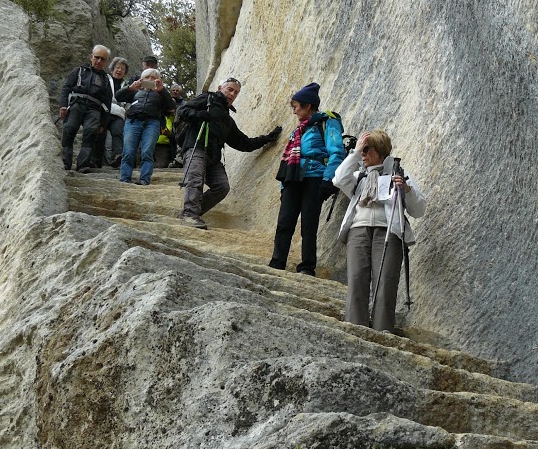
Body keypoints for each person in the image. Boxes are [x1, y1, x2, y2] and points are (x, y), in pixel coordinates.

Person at [332, 130, 426, 332]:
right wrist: (354, 153)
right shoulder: (358, 176)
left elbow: (419, 210)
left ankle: (383, 332)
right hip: (358, 230)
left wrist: (406, 190)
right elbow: (338, 179)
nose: (363, 154)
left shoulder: (399, 173)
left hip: (389, 232)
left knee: (386, 283)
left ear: (380, 150)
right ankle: (355, 330)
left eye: (366, 149)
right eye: (361, 150)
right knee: (357, 281)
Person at [176, 77, 282, 229]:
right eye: (230, 89)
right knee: (195, 179)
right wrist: (198, 115)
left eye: (236, 93)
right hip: (195, 146)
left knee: (222, 186)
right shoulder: (207, 99)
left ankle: (192, 212)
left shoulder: (227, 120)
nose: (232, 94)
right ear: (220, 88)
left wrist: (267, 138)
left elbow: (243, 143)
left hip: (213, 157)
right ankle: (189, 214)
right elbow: (182, 111)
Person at [268, 82, 345, 276]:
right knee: (284, 222)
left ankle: (307, 267)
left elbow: (336, 151)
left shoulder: (327, 122)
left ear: (308, 106)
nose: (293, 111)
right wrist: (283, 186)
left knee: (309, 224)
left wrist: (328, 180)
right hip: (293, 179)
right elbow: (287, 161)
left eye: (296, 106)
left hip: (315, 177)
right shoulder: (298, 130)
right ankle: (277, 263)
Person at [114, 67, 175, 185]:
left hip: (152, 123)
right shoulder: (135, 91)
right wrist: (130, 87)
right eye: (147, 77)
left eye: (154, 77)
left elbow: (171, 108)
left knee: (147, 151)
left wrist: (162, 90)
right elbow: (118, 96)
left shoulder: (161, 93)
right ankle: (125, 178)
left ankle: (144, 179)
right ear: (142, 79)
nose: (150, 79)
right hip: (133, 121)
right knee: (128, 151)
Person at [58, 45, 113, 172]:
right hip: (76, 104)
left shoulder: (105, 79)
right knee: (69, 130)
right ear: (91, 57)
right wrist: (63, 105)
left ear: (106, 61)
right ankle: (65, 163)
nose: (99, 61)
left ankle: (83, 165)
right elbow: (66, 88)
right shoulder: (79, 71)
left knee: (90, 134)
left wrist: (103, 123)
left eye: (103, 59)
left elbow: (107, 103)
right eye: (97, 57)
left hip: (94, 109)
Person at [95, 56, 129, 168]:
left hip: (119, 114)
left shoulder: (127, 85)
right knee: (100, 134)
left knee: (117, 134)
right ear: (112, 69)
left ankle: (117, 158)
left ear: (125, 72)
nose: (119, 70)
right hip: (104, 110)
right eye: (117, 67)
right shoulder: (105, 79)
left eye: (122, 69)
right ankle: (95, 161)